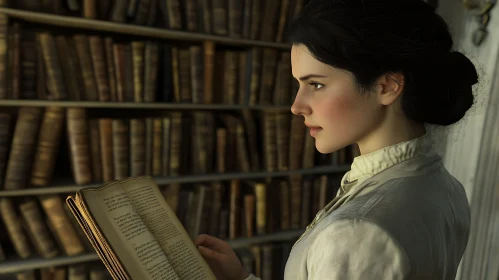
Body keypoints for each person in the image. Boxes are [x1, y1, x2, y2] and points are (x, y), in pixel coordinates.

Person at [194, 0, 477, 279]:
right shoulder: (445, 186)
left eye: (316, 84)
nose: (296, 105)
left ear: (387, 86)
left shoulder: (356, 233)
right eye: (299, 85)